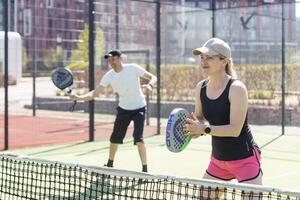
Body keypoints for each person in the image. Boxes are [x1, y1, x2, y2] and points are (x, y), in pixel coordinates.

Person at [183, 38, 262, 194]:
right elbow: (199, 117)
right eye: (202, 58)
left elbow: (235, 130)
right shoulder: (201, 87)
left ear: (224, 61)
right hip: (218, 161)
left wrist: (204, 129)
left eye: (209, 57)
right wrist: (194, 128)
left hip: (245, 160)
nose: (204, 62)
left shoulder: (237, 88)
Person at [70, 50, 157, 173]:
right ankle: (110, 164)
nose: (111, 62)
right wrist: (79, 98)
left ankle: (145, 169)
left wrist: (150, 85)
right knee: (114, 138)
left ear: (120, 58)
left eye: (114, 59)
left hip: (139, 108)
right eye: (109, 60)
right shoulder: (109, 76)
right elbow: (94, 93)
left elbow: (153, 77)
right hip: (123, 110)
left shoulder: (133, 68)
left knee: (138, 139)